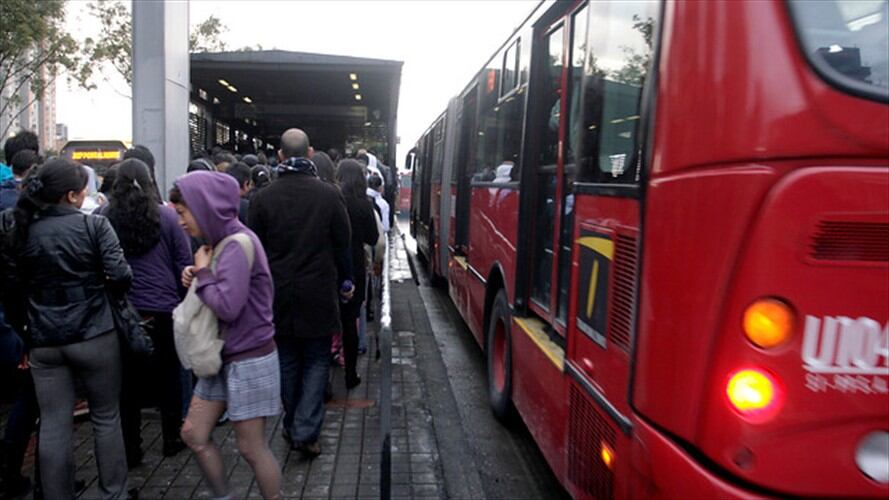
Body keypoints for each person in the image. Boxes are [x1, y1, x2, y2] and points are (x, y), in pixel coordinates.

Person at [3, 159, 131, 499]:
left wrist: (26, 332)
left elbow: (11, 288)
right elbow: (121, 275)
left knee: (53, 421)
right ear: (72, 195)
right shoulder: (94, 227)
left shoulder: (20, 228)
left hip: (44, 338)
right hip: (95, 333)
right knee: (106, 416)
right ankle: (113, 492)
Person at [172, 171, 282, 500]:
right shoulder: (218, 243)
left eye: (183, 212)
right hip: (221, 356)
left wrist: (203, 273)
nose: (180, 222)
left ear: (205, 207)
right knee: (194, 433)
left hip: (248, 358)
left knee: (251, 448)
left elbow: (228, 307)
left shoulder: (236, 244)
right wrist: (198, 275)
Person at [249, 128, 352, 457]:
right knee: (317, 361)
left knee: (288, 361)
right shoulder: (329, 195)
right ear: (310, 155)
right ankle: (306, 430)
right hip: (319, 292)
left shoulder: (262, 198)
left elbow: (255, 250)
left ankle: (293, 424)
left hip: (278, 295)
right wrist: (346, 281)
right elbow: (343, 244)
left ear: (280, 156)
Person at [98, 158, 193, 464]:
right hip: (163, 308)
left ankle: (131, 449)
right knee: (169, 376)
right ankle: (171, 437)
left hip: (121, 311)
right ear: (150, 182)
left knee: (126, 385)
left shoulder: (102, 217)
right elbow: (183, 263)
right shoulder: (167, 218)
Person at [336, 160, 380, 390]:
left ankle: (324, 378)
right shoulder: (364, 205)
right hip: (355, 267)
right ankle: (351, 373)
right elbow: (373, 238)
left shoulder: (333, 200)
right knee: (350, 322)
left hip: (331, 266)